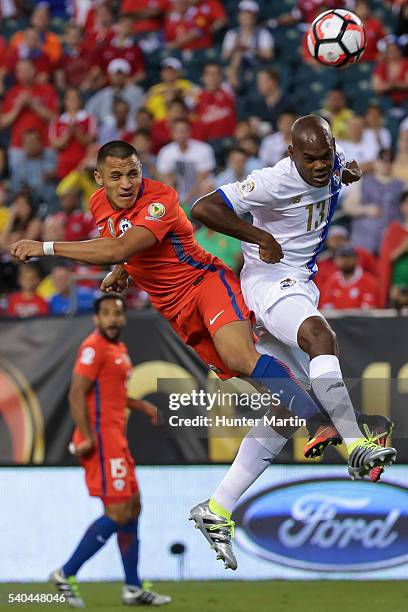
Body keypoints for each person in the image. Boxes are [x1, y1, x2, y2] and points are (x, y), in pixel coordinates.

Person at [10, 140, 395, 572]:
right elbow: (121, 245)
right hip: (178, 311)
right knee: (281, 408)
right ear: (98, 179)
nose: (126, 183)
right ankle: (218, 506)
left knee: (252, 360)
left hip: (206, 284)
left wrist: (47, 247)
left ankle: (344, 433)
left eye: (132, 173)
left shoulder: (158, 200)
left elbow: (120, 245)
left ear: (143, 171)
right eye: (116, 176)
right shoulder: (103, 205)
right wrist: (123, 271)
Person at [190, 116, 396, 563]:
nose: (320, 166)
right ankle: (355, 443)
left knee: (285, 412)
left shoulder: (334, 164)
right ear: (291, 155)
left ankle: (217, 507)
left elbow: (341, 167)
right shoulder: (272, 181)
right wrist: (258, 234)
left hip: (300, 282)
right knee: (321, 337)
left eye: (326, 156)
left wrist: (349, 170)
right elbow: (203, 208)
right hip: (271, 282)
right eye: (310, 159)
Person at [50, 294, 171, 606]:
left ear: (124, 318)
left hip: (117, 437)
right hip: (102, 440)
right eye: (106, 314)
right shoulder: (93, 348)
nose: (113, 319)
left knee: (133, 507)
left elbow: (114, 392)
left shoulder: (118, 348)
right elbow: (76, 393)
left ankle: (132, 586)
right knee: (117, 512)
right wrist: (87, 437)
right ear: (96, 318)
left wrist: (140, 405)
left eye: (117, 313)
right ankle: (66, 572)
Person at [342, 148, 406, 253]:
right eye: (382, 159)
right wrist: (366, 209)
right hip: (364, 241)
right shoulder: (363, 181)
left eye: (390, 160)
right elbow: (347, 206)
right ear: (376, 161)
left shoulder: (402, 185)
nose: (386, 163)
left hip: (390, 247)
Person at [156, 118, 216, 206]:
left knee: (207, 185)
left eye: (184, 131)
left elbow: (203, 177)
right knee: (165, 183)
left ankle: (204, 215)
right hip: (178, 190)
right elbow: (164, 177)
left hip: (198, 190)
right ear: (172, 133)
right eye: (178, 131)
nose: (181, 134)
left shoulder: (204, 149)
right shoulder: (166, 152)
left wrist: (188, 197)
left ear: (189, 132)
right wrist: (176, 196)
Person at [49, 88, 96, 180]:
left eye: (75, 98)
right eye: (69, 98)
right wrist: (68, 133)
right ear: (64, 101)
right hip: (64, 165)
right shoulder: (57, 121)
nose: (72, 101)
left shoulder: (89, 118)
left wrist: (76, 132)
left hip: (83, 164)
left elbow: (90, 141)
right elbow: (55, 145)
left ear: (80, 101)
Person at [314, 225, 377, 293]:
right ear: (327, 242)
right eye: (334, 239)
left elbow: (375, 277)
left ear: (347, 240)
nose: (337, 242)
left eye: (341, 238)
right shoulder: (321, 263)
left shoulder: (362, 255)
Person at [85, 59, 144, 128]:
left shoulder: (137, 93)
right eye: (115, 74)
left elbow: (143, 112)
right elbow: (89, 112)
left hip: (130, 129)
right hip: (106, 132)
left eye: (121, 74)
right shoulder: (102, 95)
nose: (118, 77)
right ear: (110, 76)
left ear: (126, 75)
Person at [378, 190, 408, 308]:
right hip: (398, 285)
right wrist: (403, 248)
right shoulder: (394, 229)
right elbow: (385, 259)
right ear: (402, 207)